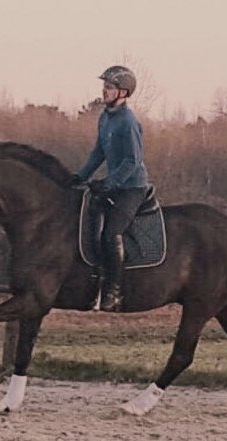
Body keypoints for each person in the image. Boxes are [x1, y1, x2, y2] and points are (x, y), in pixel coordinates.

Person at [70, 65, 150, 312]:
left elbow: (132, 161)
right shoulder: (105, 117)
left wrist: (109, 183)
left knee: (111, 233)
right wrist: (78, 177)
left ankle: (113, 292)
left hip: (132, 189)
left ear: (123, 92)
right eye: (104, 87)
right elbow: (98, 153)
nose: (104, 91)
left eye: (109, 87)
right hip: (115, 185)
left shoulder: (129, 122)